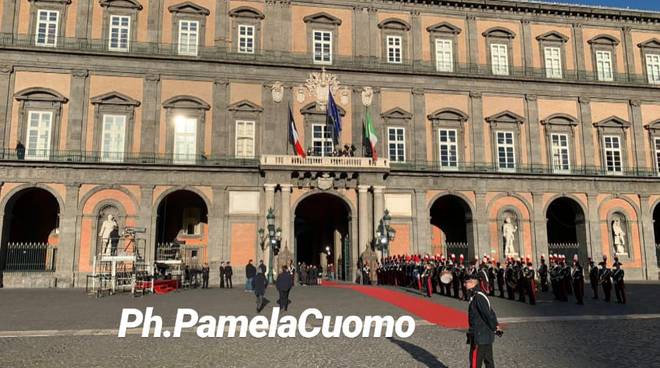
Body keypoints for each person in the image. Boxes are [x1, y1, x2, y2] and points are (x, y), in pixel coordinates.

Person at [465, 275, 502, 368]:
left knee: (475, 363)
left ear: (472, 283)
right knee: (489, 361)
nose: (464, 284)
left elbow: (488, 314)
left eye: (466, 282)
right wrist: (496, 326)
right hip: (485, 335)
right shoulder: (478, 295)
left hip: (479, 336)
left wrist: (495, 327)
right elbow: (490, 312)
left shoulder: (478, 297)